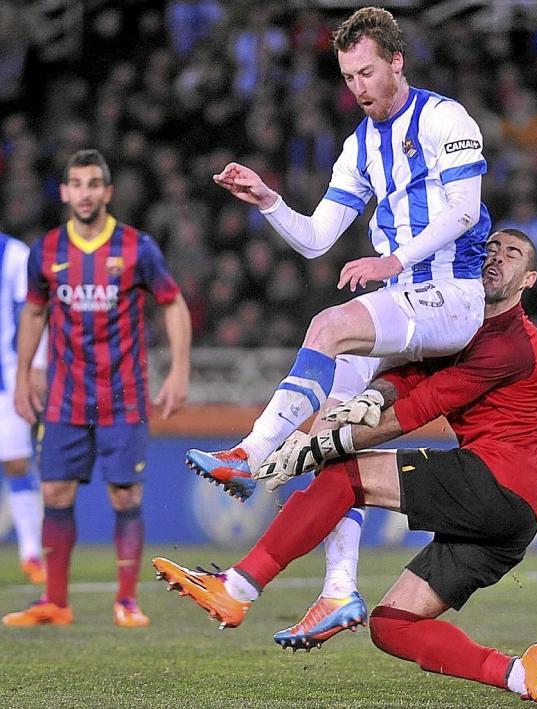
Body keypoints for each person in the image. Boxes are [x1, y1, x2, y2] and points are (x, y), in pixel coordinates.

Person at [154, 230, 537, 708]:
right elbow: (411, 374)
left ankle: (238, 588)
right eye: (492, 248)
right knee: (393, 625)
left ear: (529, 279)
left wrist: (318, 447)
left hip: (494, 485)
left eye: (512, 255)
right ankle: (523, 678)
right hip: (510, 520)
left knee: (344, 475)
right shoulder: (463, 323)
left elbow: (422, 405)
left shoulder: (511, 345)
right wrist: (373, 395)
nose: (496, 258)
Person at [186, 6, 491, 499]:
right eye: (349, 78)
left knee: (327, 326)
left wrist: (394, 260)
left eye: (367, 73)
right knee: (327, 435)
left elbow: (465, 211)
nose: (359, 88)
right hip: (404, 303)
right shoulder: (360, 146)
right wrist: (270, 201)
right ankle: (340, 579)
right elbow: (315, 239)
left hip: (451, 294)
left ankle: (250, 454)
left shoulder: (443, 118)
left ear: (397, 61)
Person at [2, 149, 191, 627]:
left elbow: (172, 304)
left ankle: (127, 600)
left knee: (124, 497)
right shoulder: (47, 251)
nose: (84, 193)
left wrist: (179, 370)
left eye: (93, 185)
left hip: (123, 396)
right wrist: (23, 377)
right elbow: (33, 313)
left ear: (107, 192)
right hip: (65, 398)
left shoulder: (136, 248)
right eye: (76, 185)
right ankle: (55, 602)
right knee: (56, 493)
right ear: (64, 192)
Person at [0, 230, 46, 585]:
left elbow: (33, 310)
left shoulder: (13, 254)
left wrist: (35, 367)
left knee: (15, 461)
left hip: (7, 374)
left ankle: (31, 551)